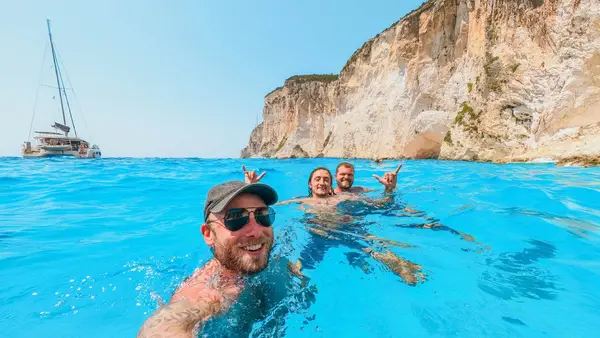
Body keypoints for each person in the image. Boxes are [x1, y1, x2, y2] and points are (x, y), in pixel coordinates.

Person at [137, 180, 280, 337]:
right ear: (208, 234)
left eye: (262, 215)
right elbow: (163, 327)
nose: (257, 232)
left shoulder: (266, 251)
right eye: (236, 218)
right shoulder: (213, 289)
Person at [334, 161, 402, 194]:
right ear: (335, 177)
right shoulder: (330, 195)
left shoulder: (361, 190)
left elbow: (382, 204)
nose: (346, 177)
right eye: (342, 174)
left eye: (350, 175)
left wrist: (389, 188)